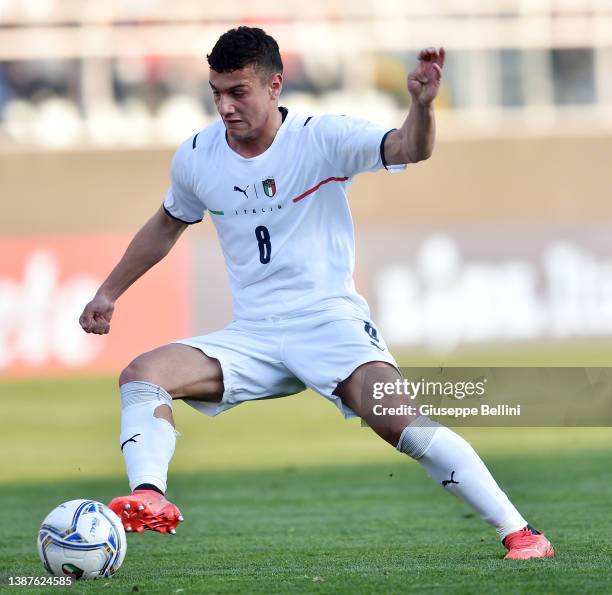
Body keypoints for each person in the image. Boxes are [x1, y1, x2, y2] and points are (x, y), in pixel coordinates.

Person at [79, 26, 553, 560]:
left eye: (238, 92)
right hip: (254, 333)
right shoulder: (197, 156)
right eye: (216, 92)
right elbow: (167, 224)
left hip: (328, 323)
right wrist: (109, 292)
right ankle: (150, 496)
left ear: (275, 84)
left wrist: (421, 105)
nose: (225, 106)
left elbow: (409, 148)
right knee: (142, 376)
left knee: (399, 420)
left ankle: (521, 533)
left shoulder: (322, 137)